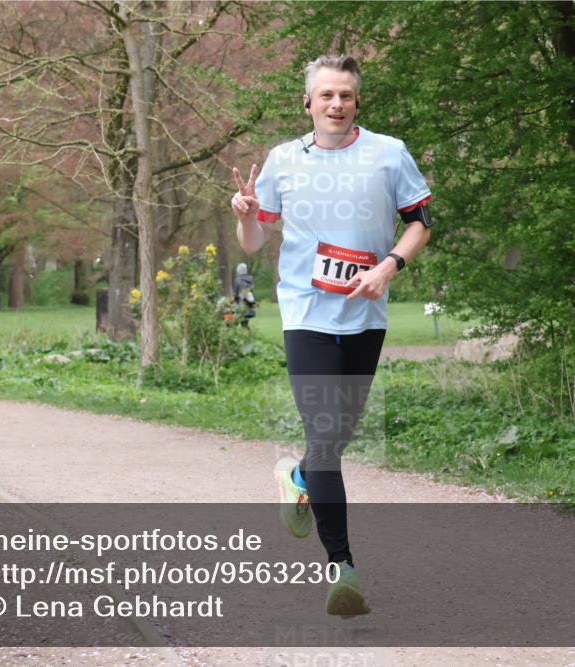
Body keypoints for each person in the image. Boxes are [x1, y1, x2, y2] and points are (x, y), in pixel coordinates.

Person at [230, 54, 432, 617]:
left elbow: (420, 222)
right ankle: (341, 568)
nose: (336, 104)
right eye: (326, 95)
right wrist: (245, 213)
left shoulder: (389, 154)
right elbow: (253, 241)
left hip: (367, 316)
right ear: (308, 103)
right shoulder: (282, 161)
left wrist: (389, 265)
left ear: (356, 102)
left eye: (345, 95)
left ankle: (296, 477)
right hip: (305, 314)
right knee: (325, 436)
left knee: (336, 437)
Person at [232, 263, 257, 328]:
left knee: (233, 324)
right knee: (244, 324)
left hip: (241, 308)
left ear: (238, 271)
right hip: (250, 306)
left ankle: (236, 336)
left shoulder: (238, 280)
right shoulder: (251, 279)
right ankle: (248, 336)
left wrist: (232, 304)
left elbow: (235, 295)